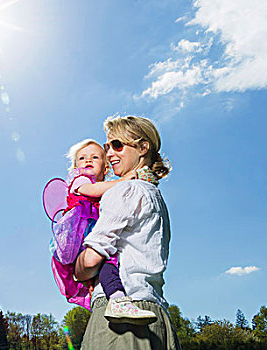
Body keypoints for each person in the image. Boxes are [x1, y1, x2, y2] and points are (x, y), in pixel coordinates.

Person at [75, 115, 180, 349]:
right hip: (157, 315)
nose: (109, 154)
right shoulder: (154, 195)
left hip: (121, 322)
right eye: (107, 147)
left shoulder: (126, 190)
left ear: (143, 147)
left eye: (117, 145)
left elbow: (91, 260)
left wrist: (74, 268)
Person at [50, 139, 157, 324]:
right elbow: (91, 190)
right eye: (82, 158)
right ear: (76, 167)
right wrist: (125, 180)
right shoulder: (79, 179)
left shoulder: (107, 190)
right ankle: (115, 298)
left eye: (94, 157)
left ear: (106, 168)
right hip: (76, 237)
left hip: (89, 237)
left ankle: (116, 299)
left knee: (108, 263)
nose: (87, 161)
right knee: (106, 258)